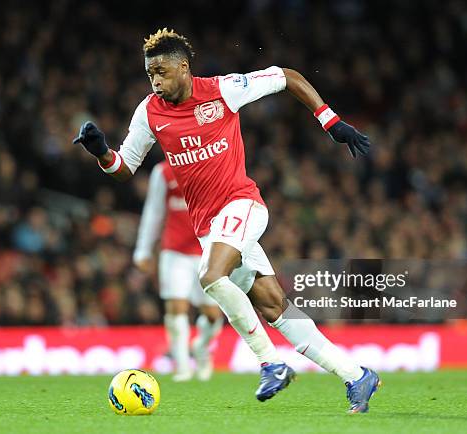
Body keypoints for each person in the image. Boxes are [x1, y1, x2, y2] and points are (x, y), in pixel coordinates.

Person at [74, 28, 380, 413]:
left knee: (210, 276)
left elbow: (287, 76)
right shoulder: (149, 112)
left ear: (183, 67)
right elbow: (124, 167)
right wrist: (101, 151)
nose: (155, 81)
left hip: (242, 206)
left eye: (161, 72)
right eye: (150, 74)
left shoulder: (224, 90)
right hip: (210, 229)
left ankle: (271, 364)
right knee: (275, 309)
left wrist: (330, 120)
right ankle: (356, 376)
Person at [133, 160, 223, 381]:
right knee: (176, 307)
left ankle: (201, 347)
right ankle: (182, 366)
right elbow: (154, 211)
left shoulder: (211, 166)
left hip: (206, 250)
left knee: (212, 315)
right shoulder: (163, 172)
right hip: (174, 252)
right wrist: (143, 250)